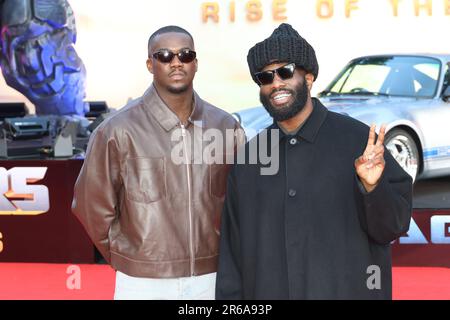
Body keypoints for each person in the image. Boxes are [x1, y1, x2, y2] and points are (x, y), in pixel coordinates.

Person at [215, 23, 413, 300]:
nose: (276, 83)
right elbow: (232, 258)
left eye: (285, 72)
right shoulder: (250, 158)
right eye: (265, 77)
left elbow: (393, 227)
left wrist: (372, 187)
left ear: (308, 78)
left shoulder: (359, 142)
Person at [72, 25, 243, 300]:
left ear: (196, 63)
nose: (176, 62)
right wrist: (129, 256)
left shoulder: (225, 127)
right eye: (164, 55)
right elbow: (90, 204)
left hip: (211, 277)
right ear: (150, 64)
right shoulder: (118, 129)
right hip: (142, 282)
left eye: (185, 55)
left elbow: (241, 203)